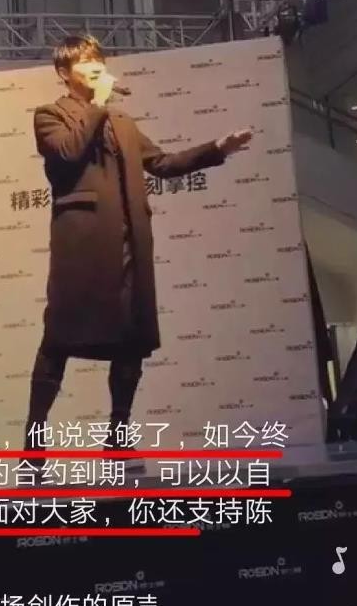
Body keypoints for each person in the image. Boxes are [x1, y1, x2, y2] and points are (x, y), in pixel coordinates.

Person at [24, 36, 252, 460]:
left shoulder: (123, 122)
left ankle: (118, 437)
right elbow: (69, 152)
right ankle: (33, 445)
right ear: (63, 73)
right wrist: (98, 103)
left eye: (98, 59)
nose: (95, 66)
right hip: (82, 246)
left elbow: (162, 164)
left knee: (131, 338)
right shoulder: (49, 115)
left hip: (130, 243)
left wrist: (217, 149)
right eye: (84, 62)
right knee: (59, 339)